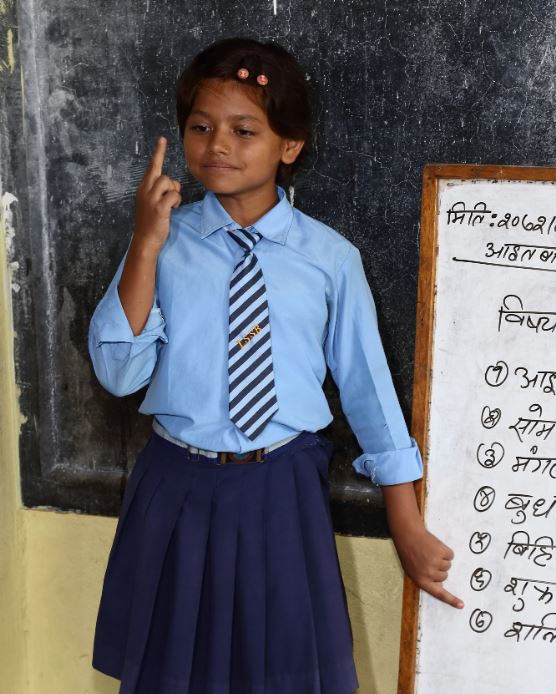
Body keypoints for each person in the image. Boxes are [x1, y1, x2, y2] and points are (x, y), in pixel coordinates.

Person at [88, 37, 461, 693]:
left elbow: (368, 390)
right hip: (176, 490)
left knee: (282, 672)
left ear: (290, 146)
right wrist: (145, 245)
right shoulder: (163, 245)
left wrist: (404, 521)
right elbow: (119, 373)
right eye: (200, 128)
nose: (217, 146)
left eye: (243, 130)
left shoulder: (329, 258)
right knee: (175, 672)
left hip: (281, 490)